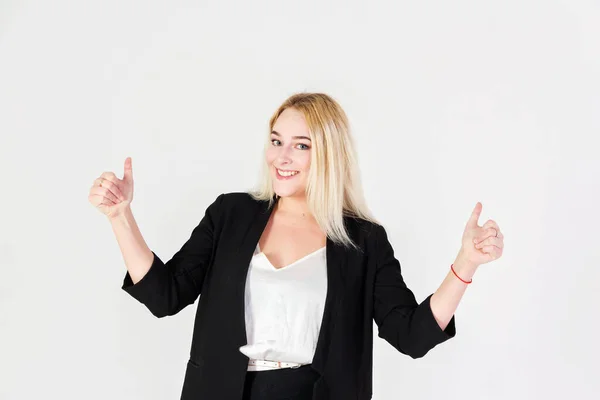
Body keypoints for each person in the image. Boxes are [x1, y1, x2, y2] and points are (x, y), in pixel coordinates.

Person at [88, 92, 504, 400]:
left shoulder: (363, 240)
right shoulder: (230, 215)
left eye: (301, 145)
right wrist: (120, 216)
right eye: (276, 140)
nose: (282, 156)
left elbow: (411, 336)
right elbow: (165, 295)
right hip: (221, 391)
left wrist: (465, 263)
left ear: (328, 154)